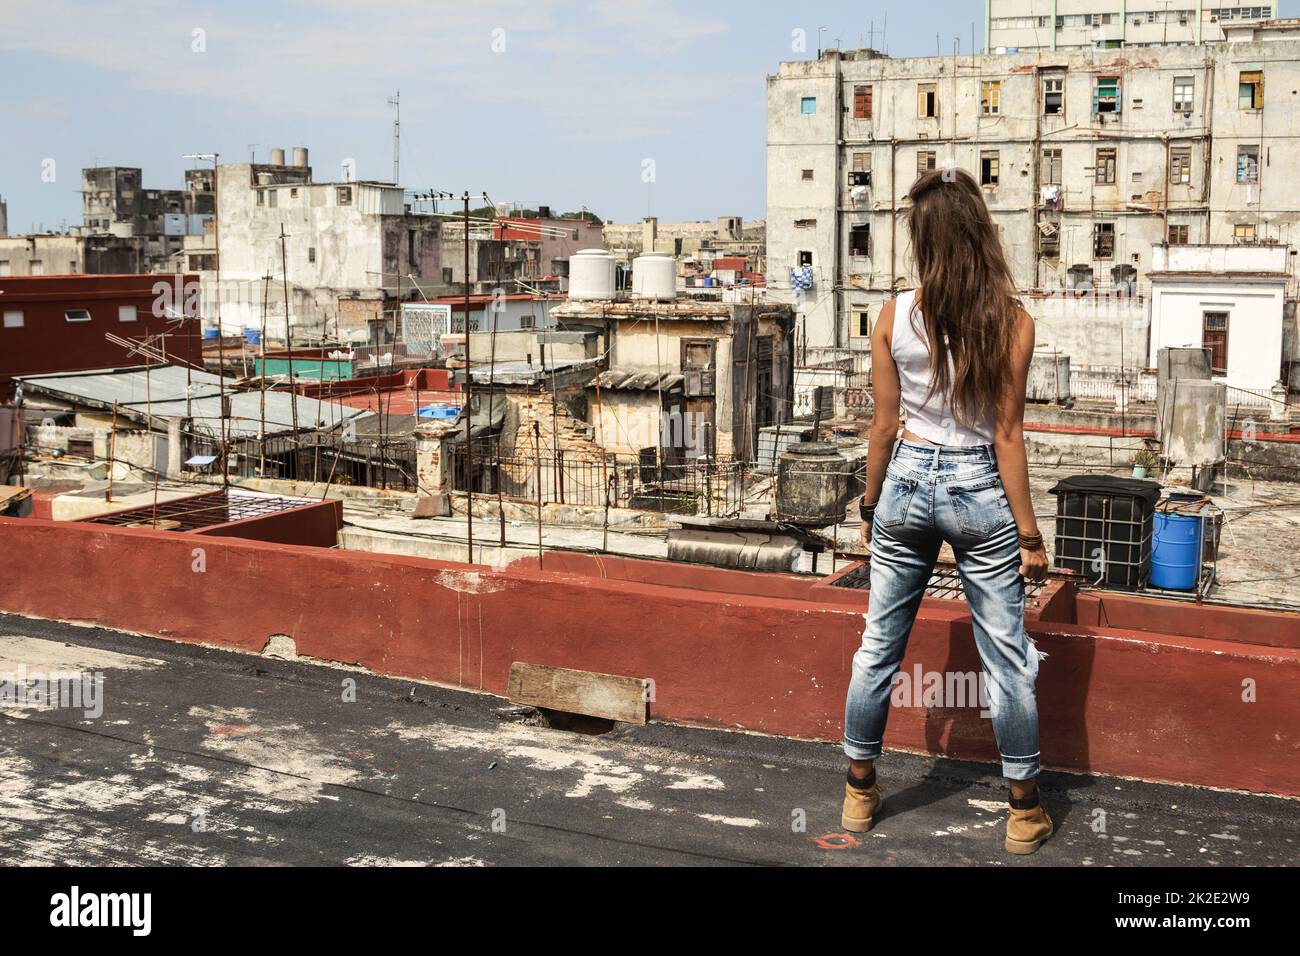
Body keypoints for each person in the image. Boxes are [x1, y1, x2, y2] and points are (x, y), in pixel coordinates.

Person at [840, 168, 1053, 855]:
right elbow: (1007, 436)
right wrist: (1028, 533)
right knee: (1008, 660)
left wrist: (871, 507)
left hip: (905, 478)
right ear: (982, 234)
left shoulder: (892, 314)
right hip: (977, 489)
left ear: (923, 241)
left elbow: (882, 425)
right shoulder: (1014, 322)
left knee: (879, 646)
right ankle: (1023, 811)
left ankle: (859, 792)